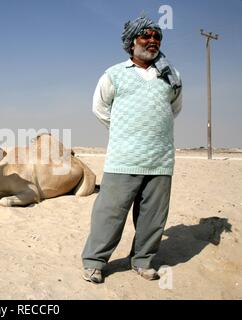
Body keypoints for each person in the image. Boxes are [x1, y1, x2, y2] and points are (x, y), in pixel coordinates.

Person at [81, 16, 182, 284]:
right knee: (110, 213)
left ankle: (142, 261)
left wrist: (151, 130)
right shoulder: (114, 74)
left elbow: (173, 109)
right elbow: (100, 109)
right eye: (145, 36)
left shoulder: (171, 76)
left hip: (160, 158)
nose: (152, 41)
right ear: (131, 42)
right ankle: (94, 262)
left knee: (153, 217)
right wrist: (126, 132)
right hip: (124, 158)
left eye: (156, 37)